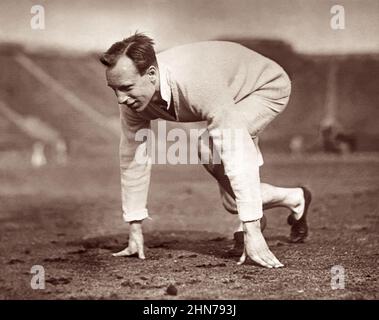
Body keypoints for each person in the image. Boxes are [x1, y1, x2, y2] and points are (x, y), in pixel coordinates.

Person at [99, 33, 312, 268]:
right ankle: (296, 198)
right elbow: (133, 157)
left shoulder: (196, 81)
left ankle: (257, 221)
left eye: (126, 88)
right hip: (226, 90)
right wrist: (135, 227)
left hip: (263, 87)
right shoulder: (133, 101)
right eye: (114, 89)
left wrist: (252, 230)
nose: (120, 99)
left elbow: (235, 150)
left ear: (151, 74)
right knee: (232, 203)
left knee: (209, 146)